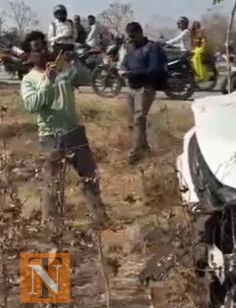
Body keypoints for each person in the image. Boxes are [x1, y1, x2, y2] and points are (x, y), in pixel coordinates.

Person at [20, 42, 107, 229]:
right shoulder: (29, 79)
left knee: (89, 175)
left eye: (43, 48)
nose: (42, 52)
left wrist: (75, 62)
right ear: (30, 56)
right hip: (51, 136)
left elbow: (86, 78)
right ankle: (52, 226)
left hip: (74, 132)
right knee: (53, 183)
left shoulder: (63, 70)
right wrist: (48, 81)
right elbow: (32, 106)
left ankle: (99, 219)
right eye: (37, 50)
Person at [120, 22, 168, 164]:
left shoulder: (152, 48)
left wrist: (131, 73)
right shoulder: (129, 48)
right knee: (133, 122)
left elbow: (154, 70)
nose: (132, 40)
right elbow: (125, 64)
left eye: (134, 36)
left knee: (139, 118)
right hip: (131, 88)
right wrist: (123, 71)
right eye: (129, 37)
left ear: (140, 33)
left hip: (146, 87)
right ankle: (145, 149)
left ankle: (134, 154)